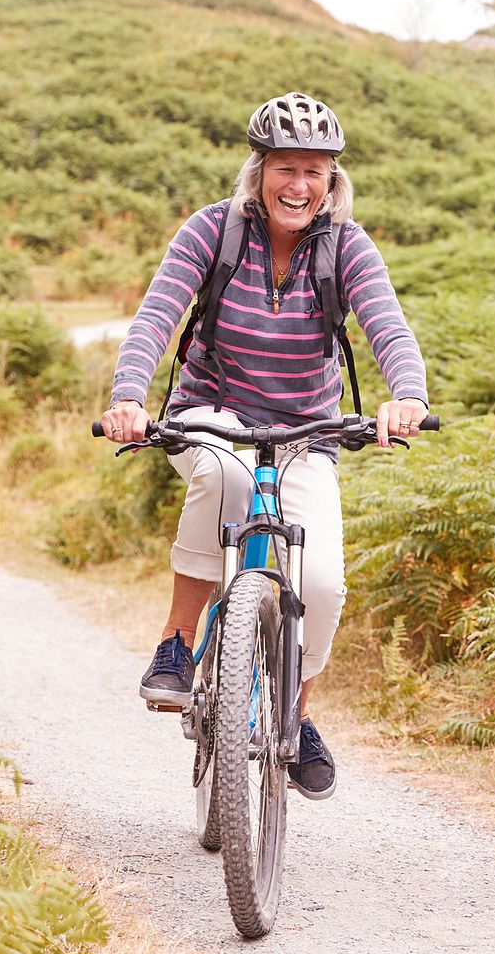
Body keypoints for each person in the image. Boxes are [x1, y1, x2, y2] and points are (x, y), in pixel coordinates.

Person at [101, 92, 429, 800]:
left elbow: (388, 328)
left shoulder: (347, 245)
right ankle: (178, 643)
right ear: (259, 171)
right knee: (225, 480)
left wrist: (408, 395)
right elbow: (157, 314)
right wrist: (129, 394)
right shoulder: (212, 231)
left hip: (307, 428)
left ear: (332, 180)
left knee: (323, 583)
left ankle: (298, 714)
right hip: (212, 411)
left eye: (315, 171)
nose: (300, 185)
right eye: (286, 167)